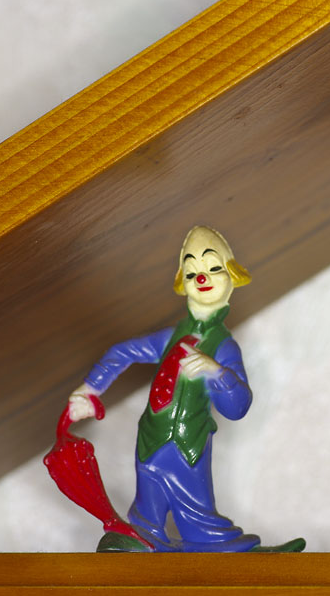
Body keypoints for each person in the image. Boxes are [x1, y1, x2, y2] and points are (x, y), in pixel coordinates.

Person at [67, 225, 302, 552]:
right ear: (182, 282)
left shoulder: (223, 347)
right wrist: (89, 389)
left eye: (214, 268)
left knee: (197, 517)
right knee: (147, 509)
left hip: (188, 444)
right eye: (191, 272)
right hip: (150, 438)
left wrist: (216, 372)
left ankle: (234, 553)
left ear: (232, 275)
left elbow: (237, 407)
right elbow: (124, 352)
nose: (202, 277)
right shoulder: (170, 338)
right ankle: (144, 541)